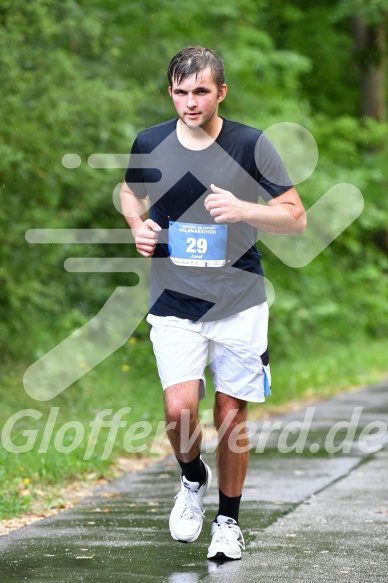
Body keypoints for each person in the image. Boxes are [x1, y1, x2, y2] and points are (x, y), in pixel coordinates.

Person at [120, 46, 306, 561]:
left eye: (201, 91)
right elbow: (128, 192)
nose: (190, 102)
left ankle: (228, 520)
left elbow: (295, 216)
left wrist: (245, 208)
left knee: (229, 414)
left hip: (239, 299)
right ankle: (191, 478)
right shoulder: (151, 141)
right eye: (180, 92)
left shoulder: (251, 144)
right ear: (171, 92)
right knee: (180, 409)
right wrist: (139, 226)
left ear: (221, 92)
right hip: (174, 297)